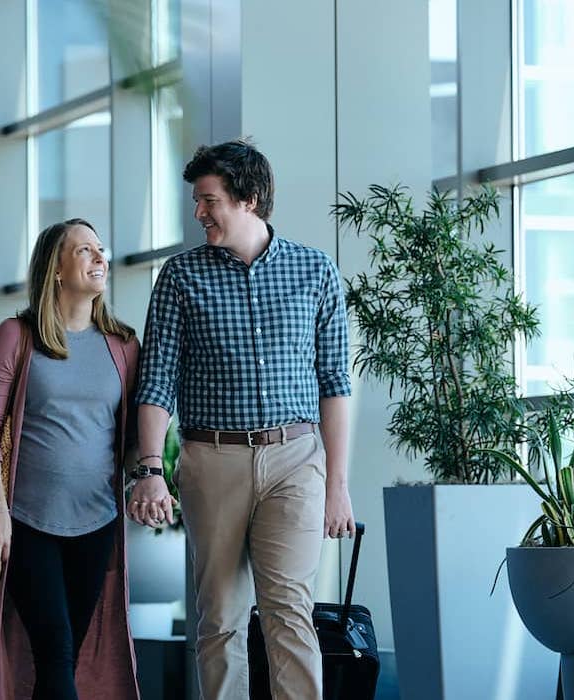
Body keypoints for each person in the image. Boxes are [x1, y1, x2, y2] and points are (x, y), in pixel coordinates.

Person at [127, 139, 355, 700]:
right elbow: (156, 382)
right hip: (212, 460)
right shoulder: (180, 278)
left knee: (289, 612)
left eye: (209, 200)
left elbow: (336, 386)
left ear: (248, 198)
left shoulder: (315, 272)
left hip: (296, 461)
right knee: (221, 617)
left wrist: (338, 488)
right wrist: (151, 468)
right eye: (197, 202)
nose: (198, 213)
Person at [0, 219, 142, 700]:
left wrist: (150, 478)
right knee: (56, 651)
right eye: (85, 250)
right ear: (57, 269)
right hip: (25, 523)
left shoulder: (123, 345)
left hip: (97, 523)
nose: (100, 258)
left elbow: (130, 437)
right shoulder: (16, 336)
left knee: (62, 657)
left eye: (100, 248)